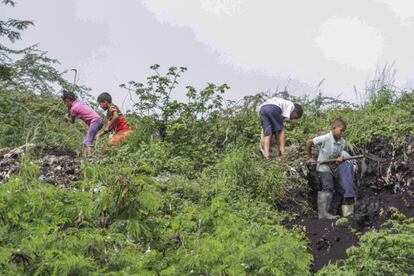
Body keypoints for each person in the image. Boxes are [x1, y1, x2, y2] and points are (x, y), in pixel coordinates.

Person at [306, 119, 356, 219]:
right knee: (328, 187)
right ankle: (323, 213)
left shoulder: (342, 142)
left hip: (334, 168)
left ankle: (331, 211)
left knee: (341, 190)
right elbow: (309, 142)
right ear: (333, 128)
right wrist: (309, 157)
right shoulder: (325, 138)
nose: (342, 133)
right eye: (341, 130)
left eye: (343, 131)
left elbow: (338, 157)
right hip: (323, 167)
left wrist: (339, 159)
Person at [62, 90, 103, 156]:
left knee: (87, 141)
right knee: (86, 140)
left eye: (65, 103)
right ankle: (85, 157)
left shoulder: (74, 108)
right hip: (99, 120)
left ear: (67, 100)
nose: (65, 105)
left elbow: (72, 121)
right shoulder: (80, 102)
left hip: (95, 121)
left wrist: (66, 117)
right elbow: (70, 110)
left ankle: (90, 158)